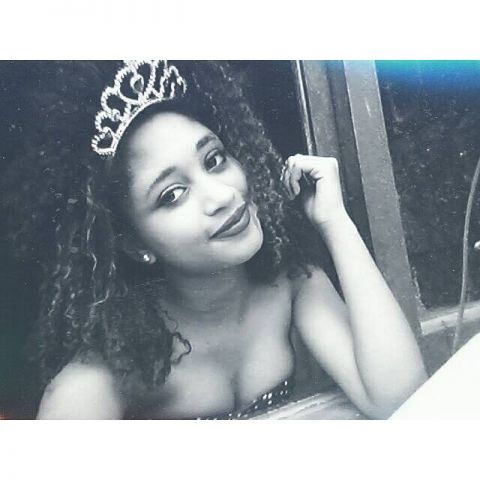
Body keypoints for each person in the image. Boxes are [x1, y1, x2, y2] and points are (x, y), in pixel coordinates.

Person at [5, 60, 427, 419]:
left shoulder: (291, 283)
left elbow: (401, 402)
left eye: (214, 159)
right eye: (172, 195)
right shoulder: (97, 377)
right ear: (135, 245)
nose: (222, 195)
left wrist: (334, 221)